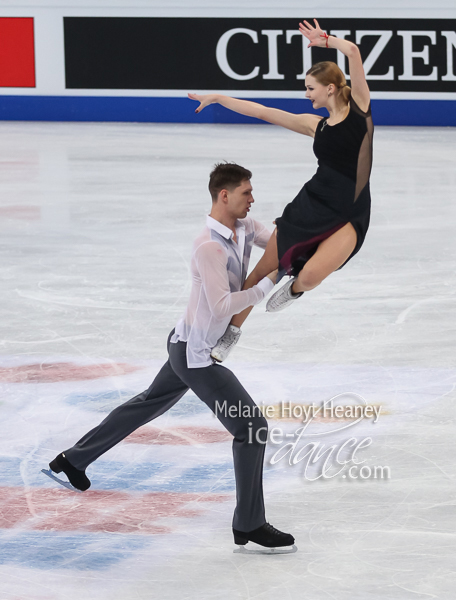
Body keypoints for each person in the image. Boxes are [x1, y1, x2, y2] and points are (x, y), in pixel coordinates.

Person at [42, 163, 296, 554]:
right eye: (246, 192)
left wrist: (303, 225)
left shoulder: (243, 228)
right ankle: (250, 523)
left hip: (182, 342)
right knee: (251, 429)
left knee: (149, 402)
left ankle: (73, 461)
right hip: (196, 355)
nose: (252, 199)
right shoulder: (208, 247)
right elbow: (223, 303)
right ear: (223, 196)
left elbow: (276, 239)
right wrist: (269, 282)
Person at [189, 19, 373, 362]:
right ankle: (231, 332)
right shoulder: (314, 125)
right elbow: (263, 112)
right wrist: (218, 98)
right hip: (312, 205)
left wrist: (326, 40)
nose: (307, 94)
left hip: (351, 211)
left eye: (310, 88)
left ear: (330, 88)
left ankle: (295, 288)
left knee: (313, 275)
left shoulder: (360, 109)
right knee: (261, 272)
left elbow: (353, 52)